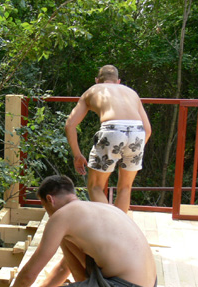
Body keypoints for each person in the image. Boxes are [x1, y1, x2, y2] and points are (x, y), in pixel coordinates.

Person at [1, 175, 157, 287]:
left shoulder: (61, 217)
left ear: (50, 199)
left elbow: (29, 275)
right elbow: (63, 268)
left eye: (45, 207)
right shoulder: (98, 208)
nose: (48, 213)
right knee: (66, 240)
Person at [65, 64, 151, 213]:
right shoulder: (131, 93)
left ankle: (108, 223)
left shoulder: (93, 90)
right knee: (125, 187)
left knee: (95, 186)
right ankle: (119, 225)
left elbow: (70, 125)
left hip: (113, 130)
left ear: (97, 80)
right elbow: (148, 130)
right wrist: (135, 150)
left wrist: (77, 155)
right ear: (118, 81)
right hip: (138, 133)